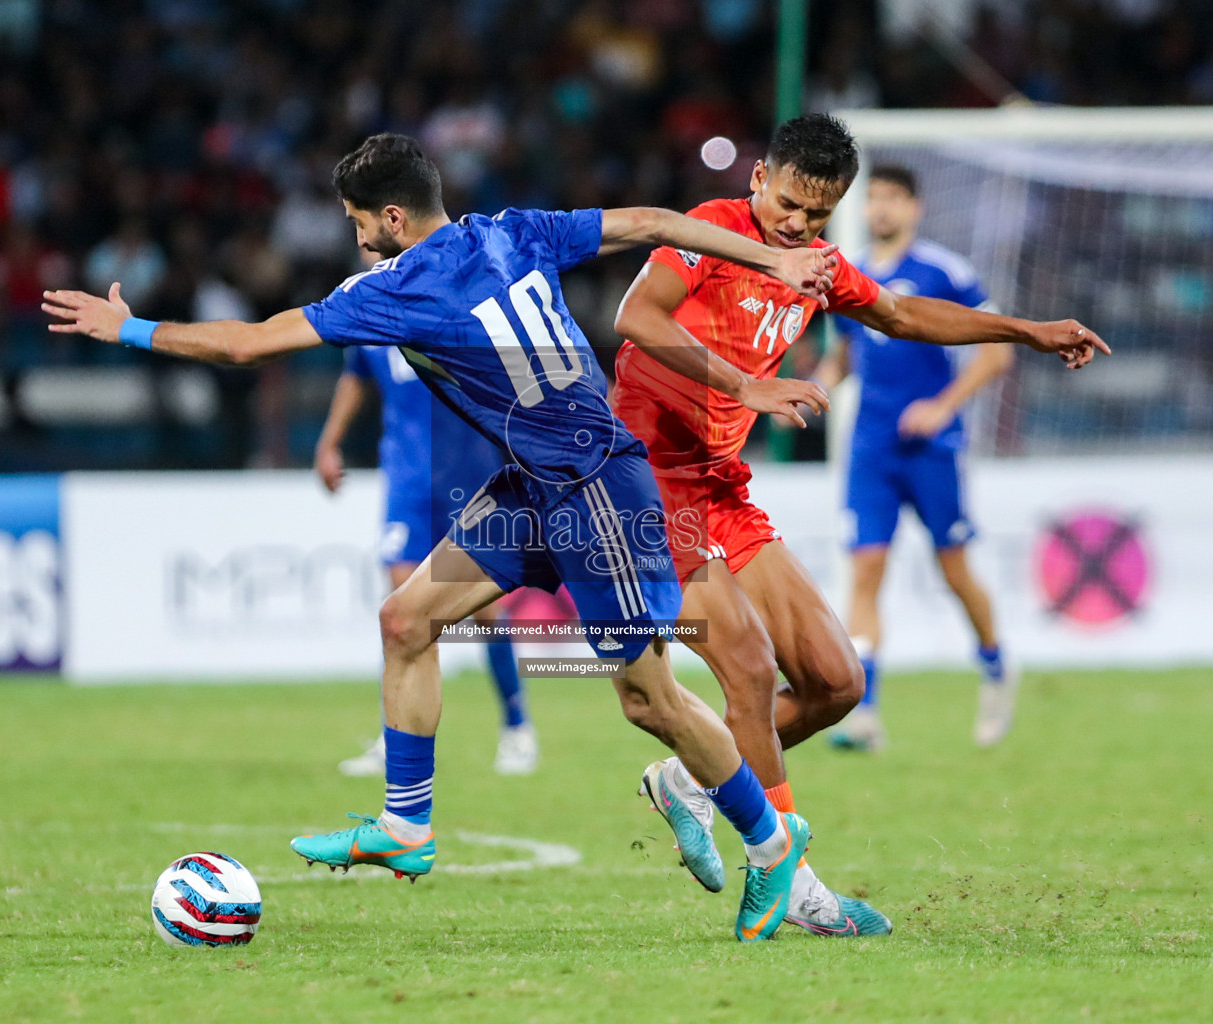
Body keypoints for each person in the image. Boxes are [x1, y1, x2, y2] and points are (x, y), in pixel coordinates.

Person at [45, 132, 843, 942]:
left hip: (597, 488)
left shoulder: (395, 288)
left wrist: (132, 329)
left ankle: (773, 847)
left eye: (360, 221)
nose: (356, 238)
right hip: (535, 484)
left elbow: (249, 343)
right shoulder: (508, 229)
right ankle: (406, 828)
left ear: (393, 216)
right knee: (406, 619)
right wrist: (768, 259)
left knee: (651, 701)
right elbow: (649, 220)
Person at [611, 114, 1107, 935]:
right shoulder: (714, 230)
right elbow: (637, 316)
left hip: (720, 490)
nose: (799, 225)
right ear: (760, 175)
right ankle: (794, 882)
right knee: (748, 669)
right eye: (790, 203)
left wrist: (1026, 330)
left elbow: (906, 316)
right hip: (643, 485)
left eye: (818, 213)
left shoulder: (818, 267)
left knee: (837, 683)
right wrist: (747, 385)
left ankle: (692, 783)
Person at [817, 163, 1018, 752]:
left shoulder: (944, 271)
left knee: (954, 571)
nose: (880, 208)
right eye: (873, 198)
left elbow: (997, 353)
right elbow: (848, 352)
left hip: (932, 448)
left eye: (893, 199)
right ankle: (864, 711)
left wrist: (941, 405)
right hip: (871, 447)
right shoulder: (845, 274)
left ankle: (995, 665)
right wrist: (820, 383)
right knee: (866, 572)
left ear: (915, 208)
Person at [318, 342, 537, 776]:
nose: (365, 266)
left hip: (469, 475)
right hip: (408, 479)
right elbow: (355, 376)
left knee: (487, 613)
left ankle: (517, 727)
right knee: (401, 611)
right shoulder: (368, 314)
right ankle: (396, 739)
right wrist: (330, 442)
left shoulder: (445, 294)